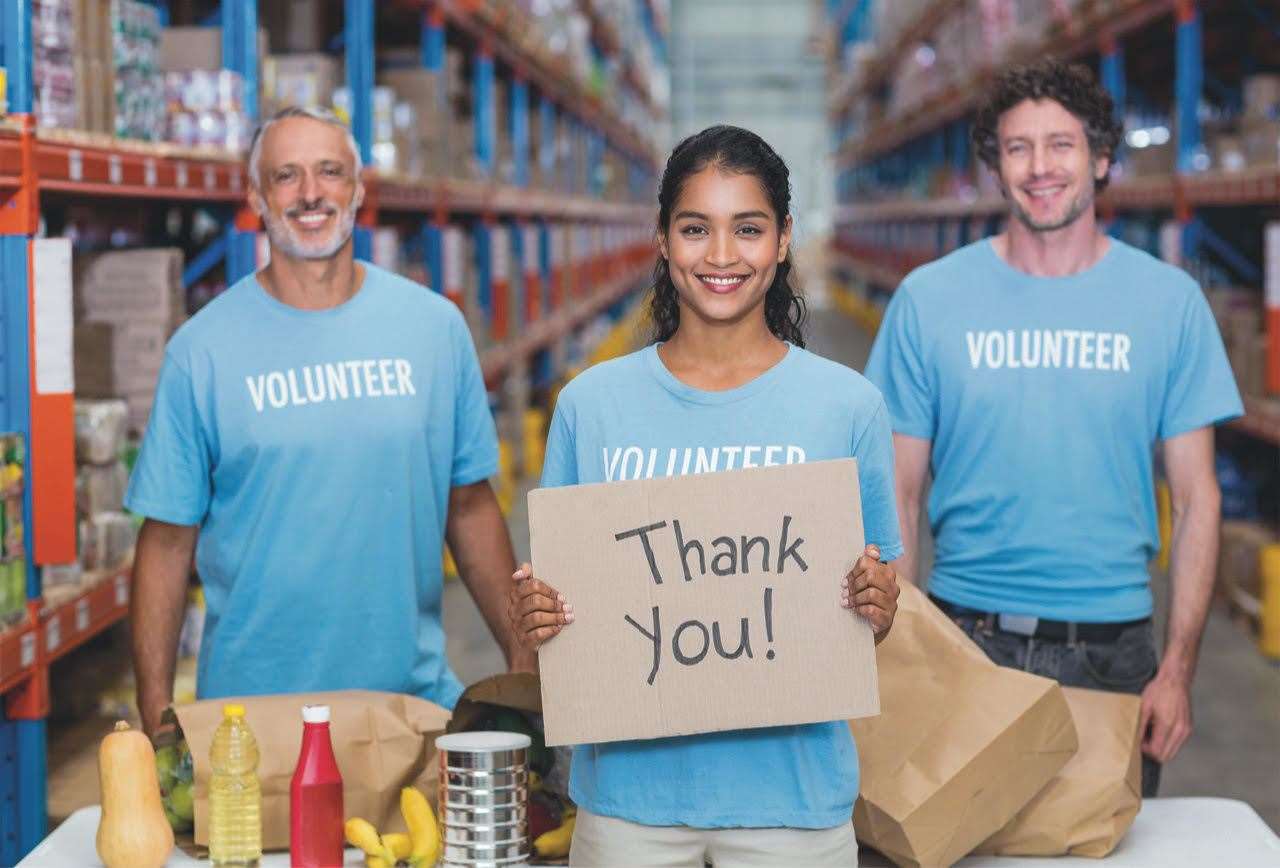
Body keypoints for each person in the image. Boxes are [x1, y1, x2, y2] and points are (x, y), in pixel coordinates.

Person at [509, 125, 902, 866]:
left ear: (783, 239)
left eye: (747, 229)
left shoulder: (846, 408)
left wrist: (878, 605)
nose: (721, 256)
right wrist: (532, 615)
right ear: (662, 239)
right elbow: (563, 606)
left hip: (793, 807)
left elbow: (874, 609)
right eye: (696, 229)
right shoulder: (591, 407)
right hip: (630, 808)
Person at [864, 59, 1243, 797]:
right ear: (995, 169)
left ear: (1101, 159)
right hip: (963, 638)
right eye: (1017, 148)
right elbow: (896, 494)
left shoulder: (1169, 304)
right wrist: (898, 660)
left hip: (1114, 654)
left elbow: (1199, 500)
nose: (1040, 167)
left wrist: (1178, 669)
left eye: (1061, 145)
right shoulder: (928, 301)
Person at [126, 106, 533, 736]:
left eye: (329, 172)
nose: (310, 193)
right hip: (249, 723)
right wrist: (155, 715)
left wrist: (522, 661)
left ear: (359, 188)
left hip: (407, 705)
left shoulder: (433, 329)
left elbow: (471, 507)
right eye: (285, 176)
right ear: (256, 197)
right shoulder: (200, 352)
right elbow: (166, 543)